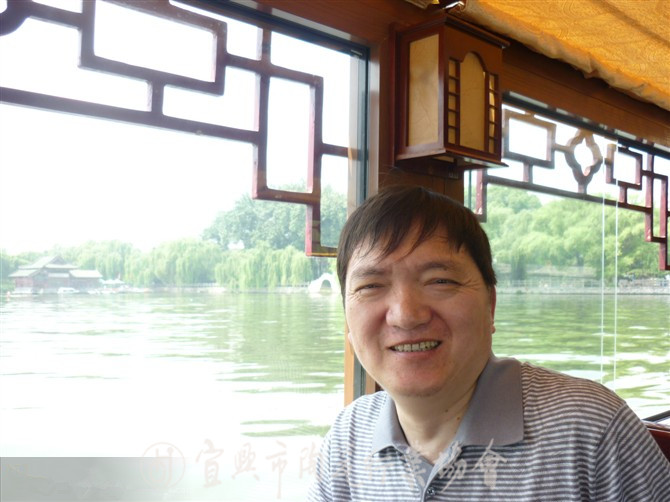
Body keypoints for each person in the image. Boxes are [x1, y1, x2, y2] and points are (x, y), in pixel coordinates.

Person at [308, 185, 670, 501]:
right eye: (371, 286)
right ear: (348, 322)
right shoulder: (348, 437)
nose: (406, 315)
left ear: (490, 305)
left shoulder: (590, 428)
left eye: (440, 281)